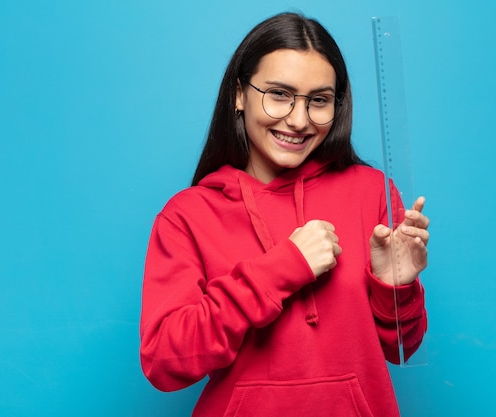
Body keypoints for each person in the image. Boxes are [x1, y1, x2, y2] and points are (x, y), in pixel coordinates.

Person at [140, 12, 429, 417]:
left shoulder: (371, 191)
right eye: (279, 94)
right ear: (239, 94)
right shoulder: (188, 214)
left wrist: (394, 288)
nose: (298, 119)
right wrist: (281, 269)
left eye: (319, 100)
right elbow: (164, 362)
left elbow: (401, 348)